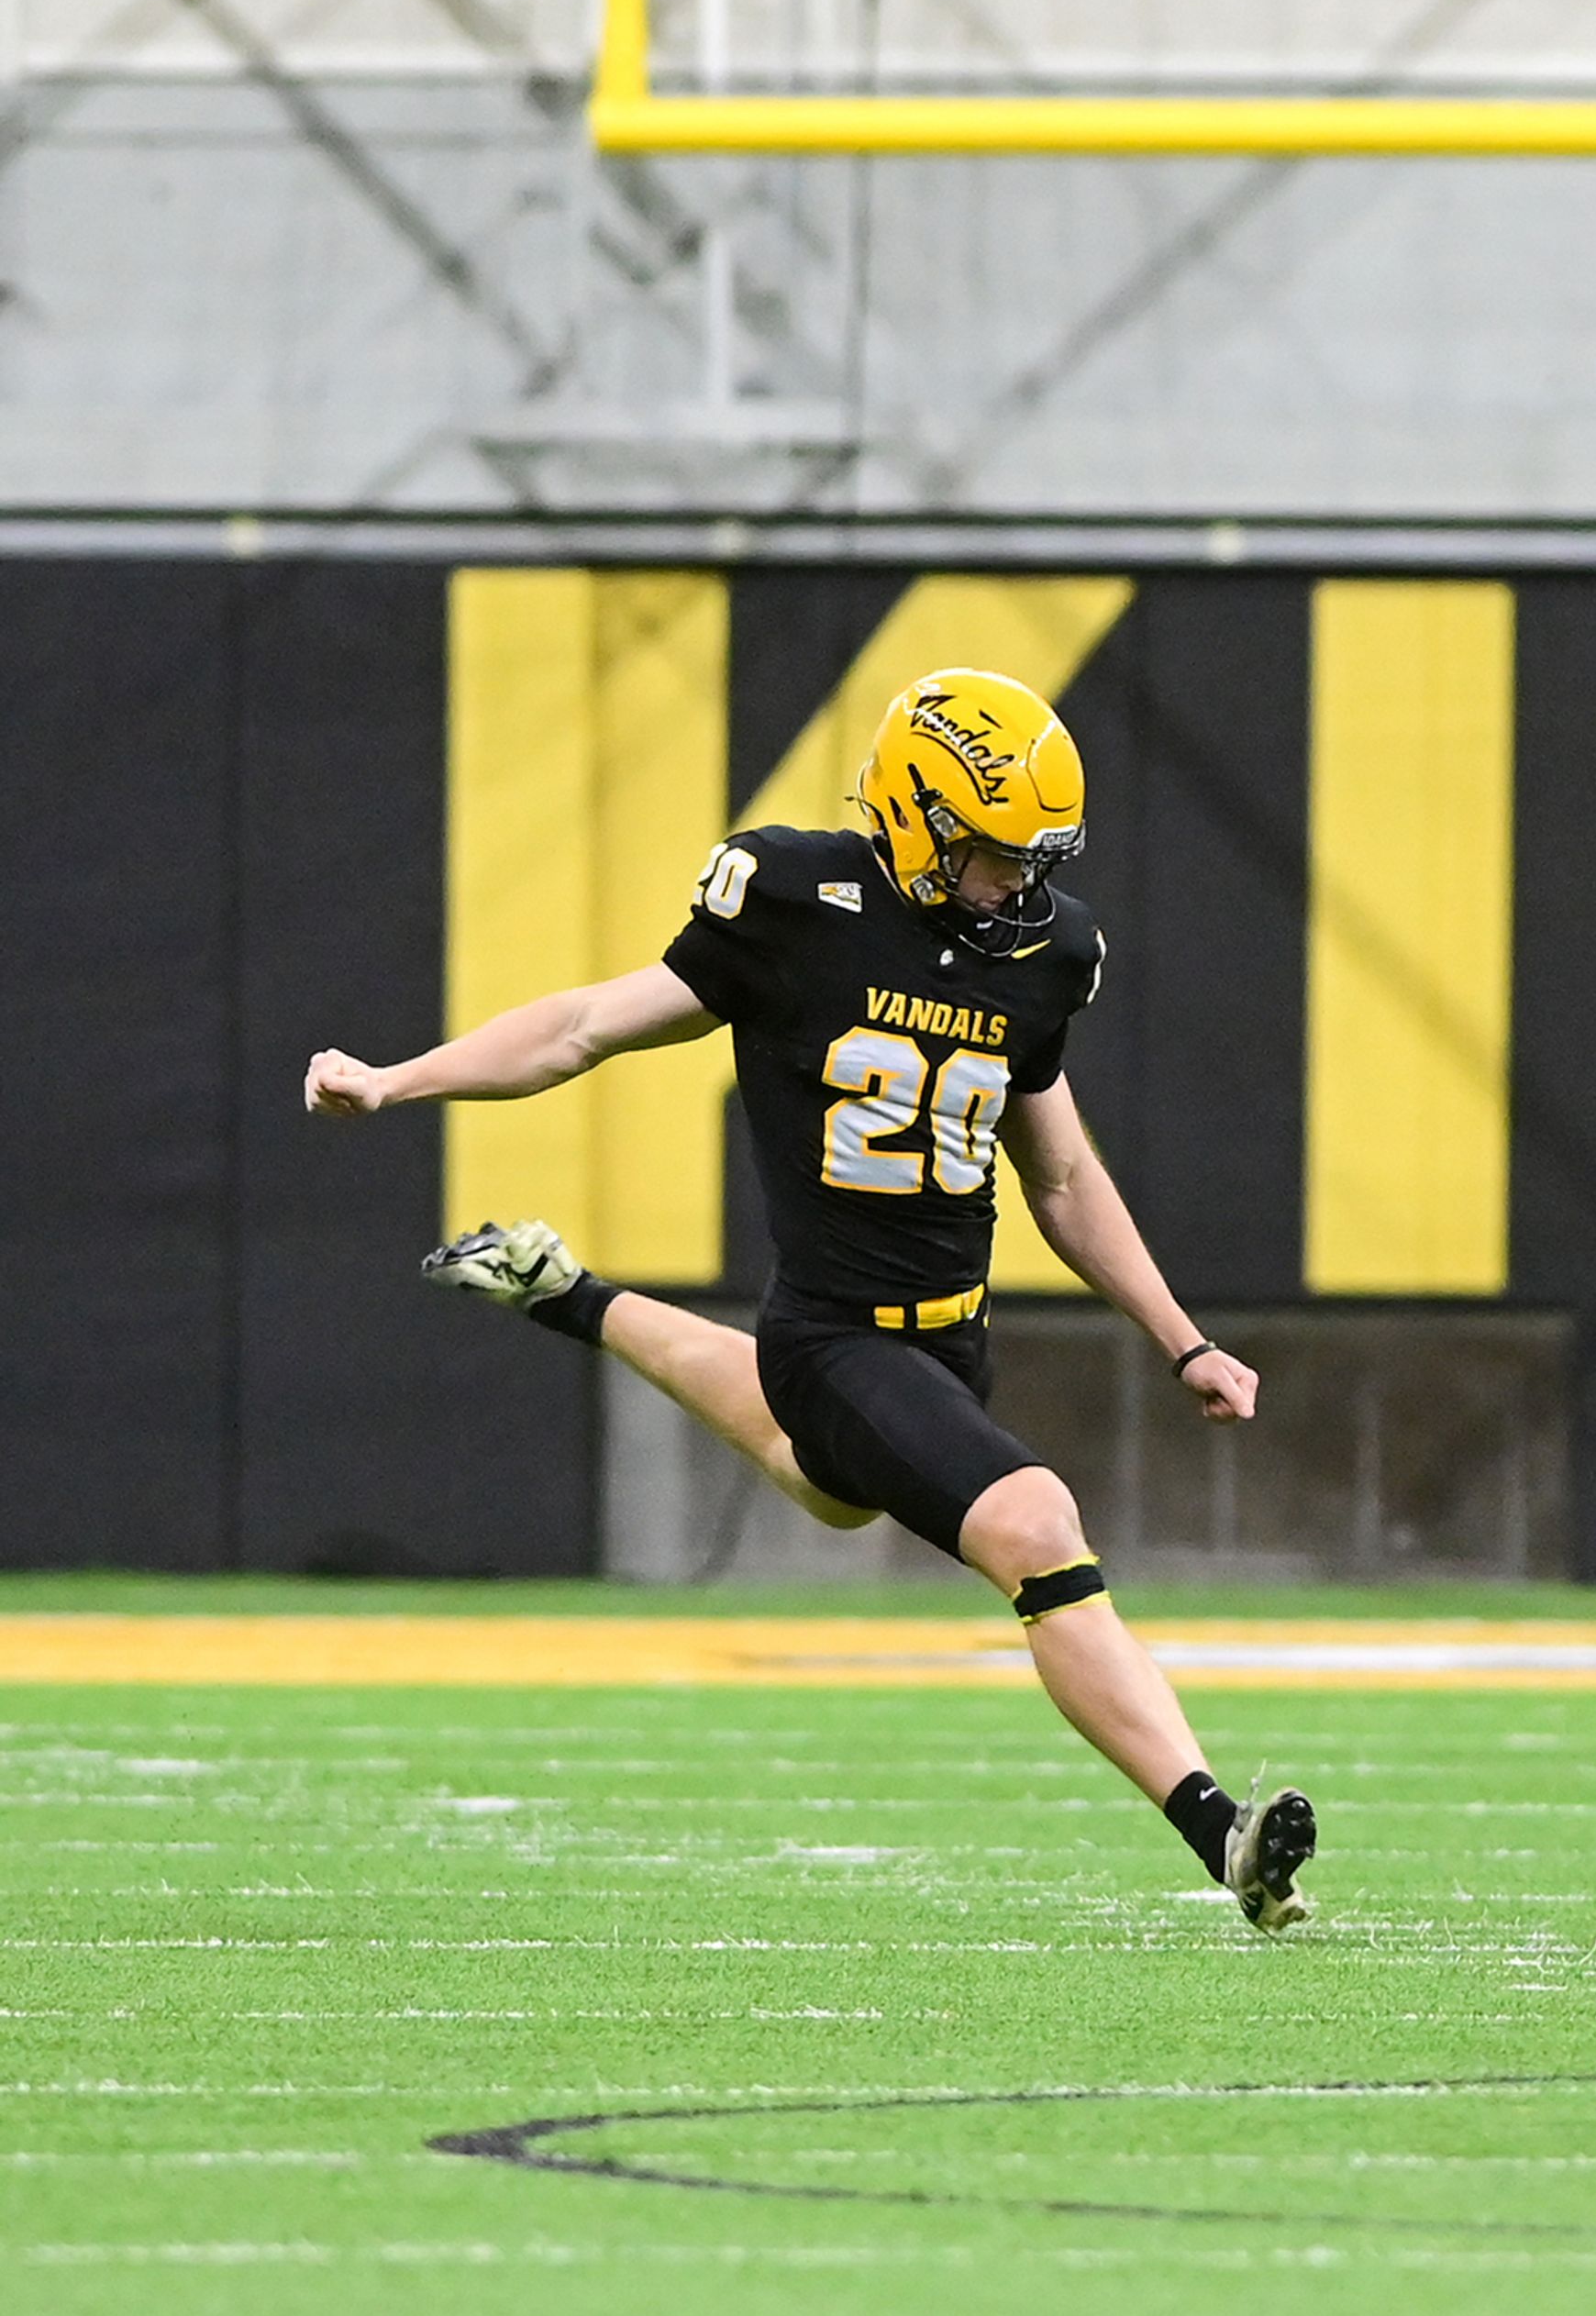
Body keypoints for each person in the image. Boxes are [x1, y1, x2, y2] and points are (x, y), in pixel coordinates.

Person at [304, 668, 1318, 1934]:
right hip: (835, 1335)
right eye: (997, 856)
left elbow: (1058, 1172)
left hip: (950, 1345)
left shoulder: (1050, 953)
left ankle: (572, 1296)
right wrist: (399, 1083)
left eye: (1035, 859)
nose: (1022, 886)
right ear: (916, 815)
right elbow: (580, 1027)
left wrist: (1184, 1344)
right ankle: (1219, 1832)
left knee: (820, 1481)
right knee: (1037, 1526)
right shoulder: (793, 901)